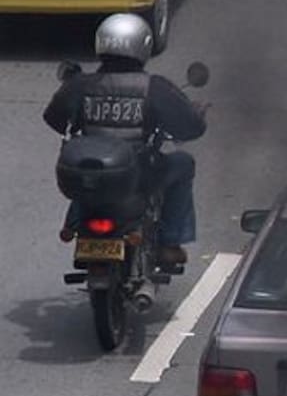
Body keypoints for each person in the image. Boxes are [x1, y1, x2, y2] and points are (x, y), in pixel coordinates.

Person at [43, 14, 206, 265]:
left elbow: (53, 117)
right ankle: (170, 243)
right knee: (184, 163)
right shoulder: (154, 88)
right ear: (143, 46)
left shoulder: (79, 85)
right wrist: (196, 116)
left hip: (88, 177)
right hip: (140, 175)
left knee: (87, 172)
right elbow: (190, 128)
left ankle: (73, 223)